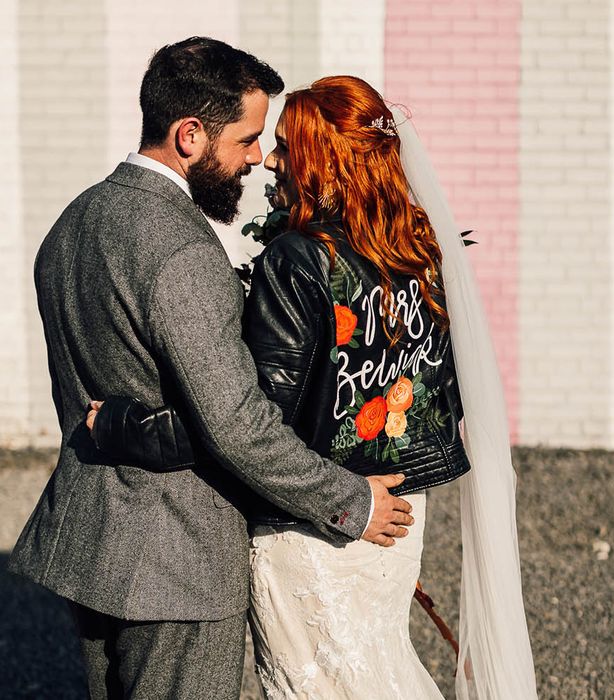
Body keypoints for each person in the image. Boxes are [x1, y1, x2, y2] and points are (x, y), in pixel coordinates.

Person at [8, 40, 414, 700]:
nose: (258, 157)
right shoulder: (183, 252)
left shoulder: (72, 224)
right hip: (178, 565)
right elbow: (238, 424)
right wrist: (352, 501)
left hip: (90, 547)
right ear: (190, 135)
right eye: (248, 138)